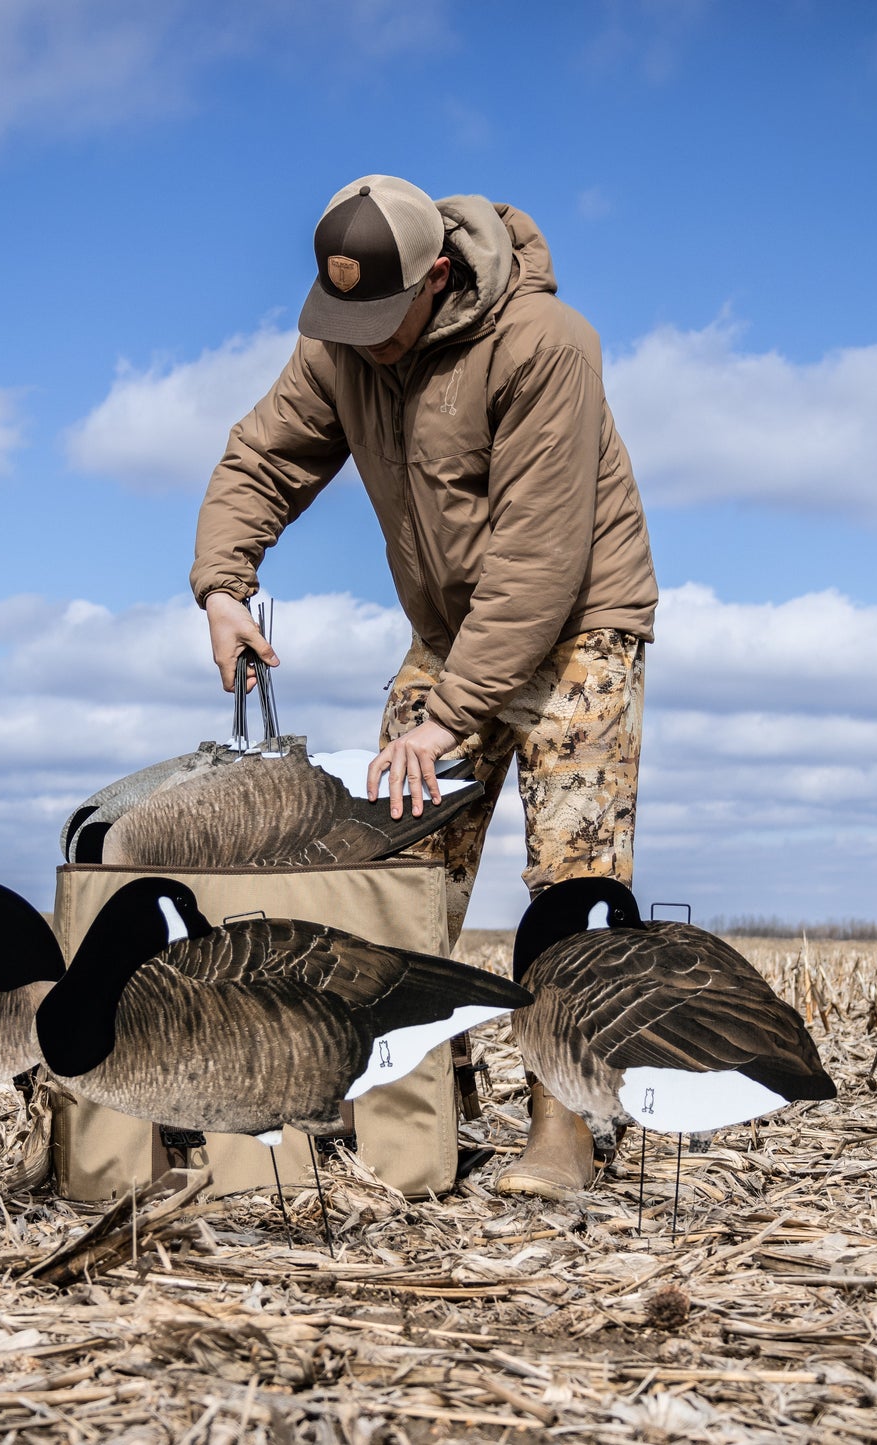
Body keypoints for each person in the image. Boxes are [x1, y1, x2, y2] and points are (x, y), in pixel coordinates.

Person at [189, 175, 657, 1197]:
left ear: (436, 276)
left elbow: (539, 558)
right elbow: (262, 456)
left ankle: (563, 1131)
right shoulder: (343, 346)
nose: (359, 339)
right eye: (339, 316)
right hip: (449, 633)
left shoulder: (545, 344)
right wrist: (224, 585)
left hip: (578, 625)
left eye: (377, 316)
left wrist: (445, 718)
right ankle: (415, 1102)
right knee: (394, 868)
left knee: (571, 879)